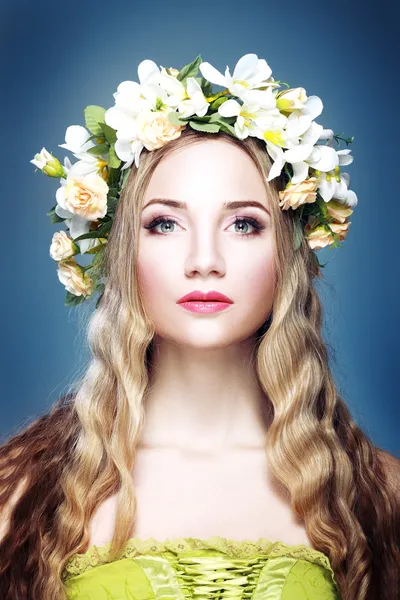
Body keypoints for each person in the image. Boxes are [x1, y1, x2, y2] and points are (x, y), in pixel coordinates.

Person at [0, 53, 399, 600]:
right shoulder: (18, 492)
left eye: (243, 224)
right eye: (165, 223)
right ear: (123, 251)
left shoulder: (378, 495)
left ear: (286, 252)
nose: (204, 259)